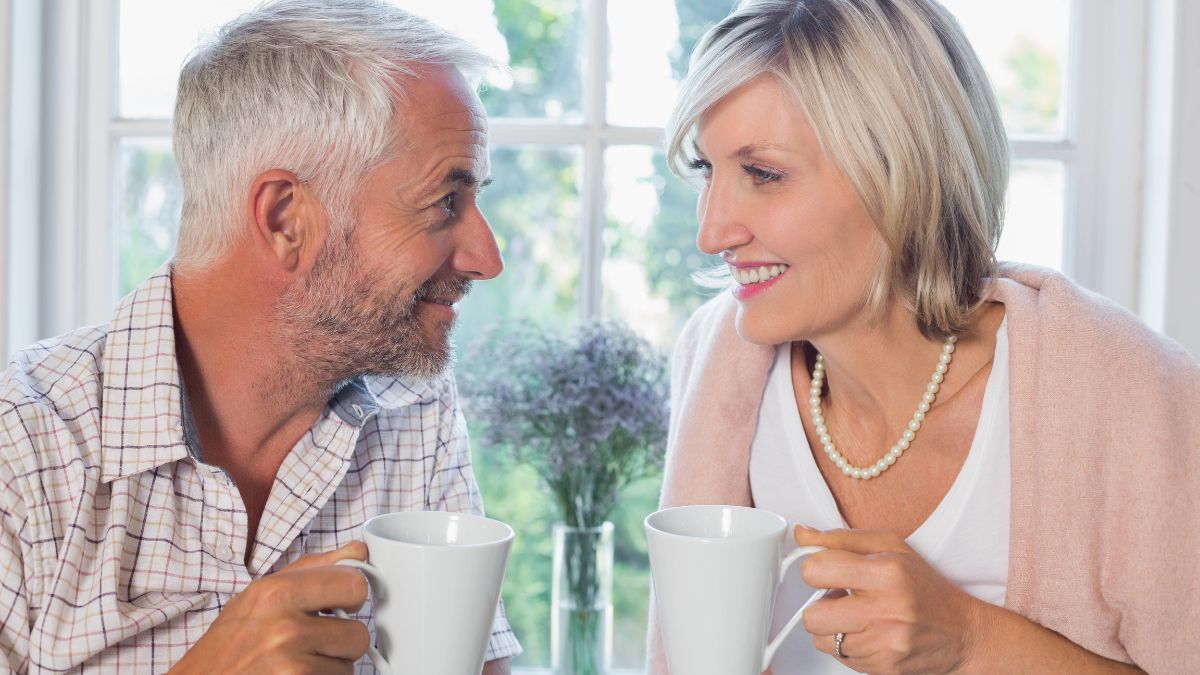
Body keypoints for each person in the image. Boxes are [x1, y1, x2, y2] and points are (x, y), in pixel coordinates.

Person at [648, 0, 1200, 673]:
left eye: (763, 174)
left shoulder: (1136, 400)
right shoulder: (719, 363)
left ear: (901, 173)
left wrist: (972, 637)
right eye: (707, 170)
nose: (712, 232)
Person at [0, 1, 521, 672]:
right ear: (284, 218)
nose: (487, 256)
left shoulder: (413, 407)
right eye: (445, 202)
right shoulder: (22, 449)